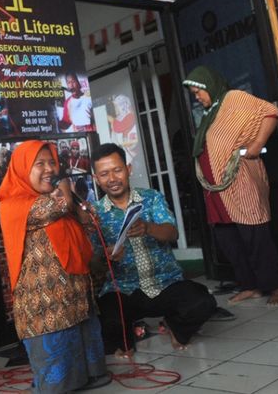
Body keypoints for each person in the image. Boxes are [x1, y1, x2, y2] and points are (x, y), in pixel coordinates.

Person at [0, 140, 108, 393]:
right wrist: (65, 186)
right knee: (56, 380)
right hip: (44, 304)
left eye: (52, 162)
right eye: (40, 164)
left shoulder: (58, 200)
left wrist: (80, 207)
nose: (49, 169)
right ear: (23, 168)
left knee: (86, 358)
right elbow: (56, 208)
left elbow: (90, 221)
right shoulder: (14, 202)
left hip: (76, 295)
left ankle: (89, 376)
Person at [89, 143, 217, 356]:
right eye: (104, 174)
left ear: (128, 169)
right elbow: (92, 261)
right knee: (105, 320)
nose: (112, 178)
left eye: (117, 170)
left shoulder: (151, 198)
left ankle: (173, 326)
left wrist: (148, 228)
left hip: (165, 283)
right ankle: (128, 337)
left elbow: (172, 233)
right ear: (96, 179)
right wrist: (105, 257)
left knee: (203, 302)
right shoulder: (95, 214)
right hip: (124, 288)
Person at [182, 66, 278, 306]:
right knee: (229, 239)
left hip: (239, 180)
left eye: (198, 91)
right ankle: (250, 286)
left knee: (254, 235)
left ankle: (276, 285)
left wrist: (258, 143)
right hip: (215, 189)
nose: (197, 98)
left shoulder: (233, 98)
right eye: (193, 95)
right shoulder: (212, 113)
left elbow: (270, 111)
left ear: (209, 83)